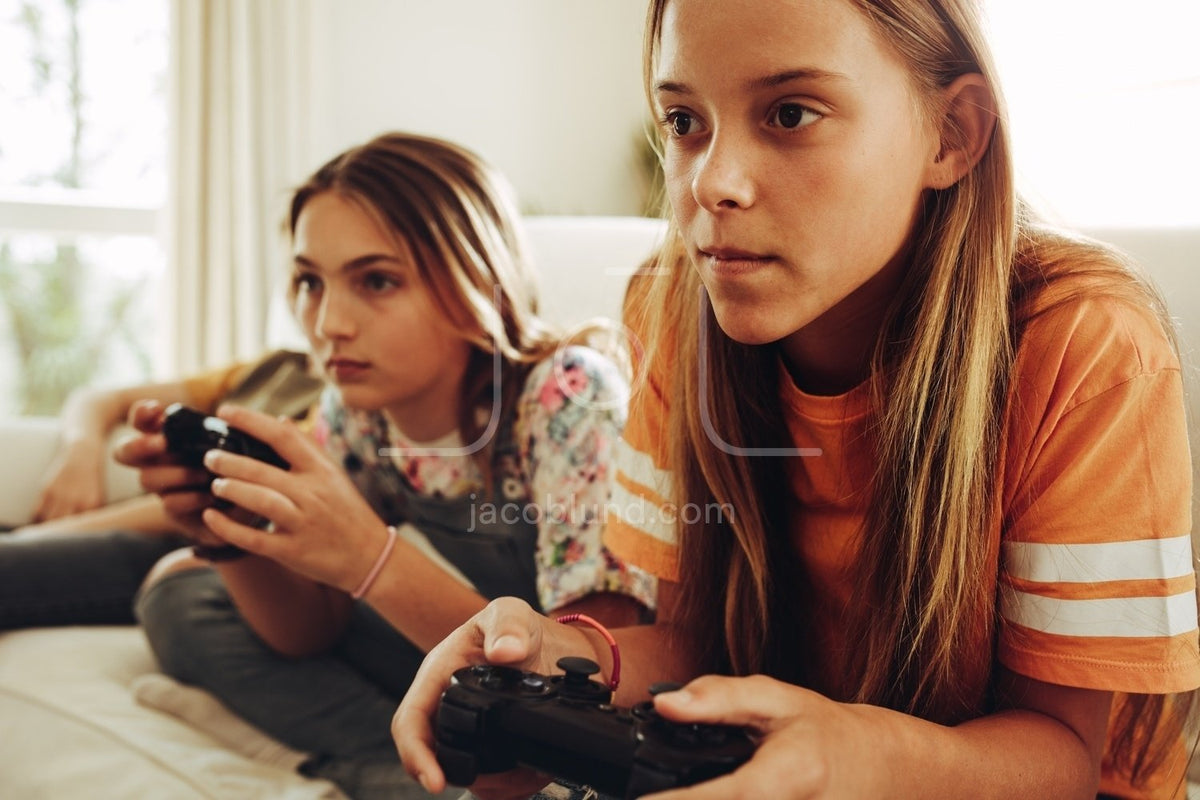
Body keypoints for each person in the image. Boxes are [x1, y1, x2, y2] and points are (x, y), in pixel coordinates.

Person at [393, 2, 1200, 799]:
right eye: (683, 121)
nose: (712, 184)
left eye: (789, 113)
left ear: (952, 134)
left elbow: (1065, 758)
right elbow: (693, 645)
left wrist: (859, 753)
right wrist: (565, 660)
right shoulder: (671, 309)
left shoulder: (1086, 345)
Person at [115, 131, 655, 800]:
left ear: (472, 283)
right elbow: (308, 631)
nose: (329, 322)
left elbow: (590, 675)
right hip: (468, 662)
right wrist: (226, 522)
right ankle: (403, 771)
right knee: (181, 593)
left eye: (376, 281)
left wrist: (369, 557)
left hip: (558, 681)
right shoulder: (357, 413)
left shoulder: (566, 396)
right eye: (310, 281)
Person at [0, 349, 321, 629]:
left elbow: (202, 508)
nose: (328, 322)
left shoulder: (333, 414)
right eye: (309, 283)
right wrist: (81, 452)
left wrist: (52, 532)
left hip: (185, 547)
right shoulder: (273, 367)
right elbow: (98, 397)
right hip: (132, 520)